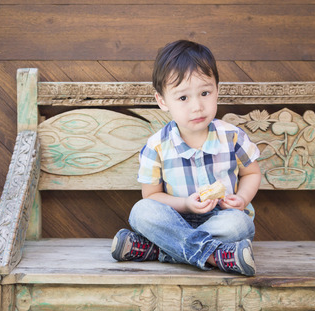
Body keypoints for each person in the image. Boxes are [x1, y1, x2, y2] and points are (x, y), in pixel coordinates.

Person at [111, 40, 261, 276]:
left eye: (205, 93)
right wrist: (185, 204)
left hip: (220, 219)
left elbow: (251, 173)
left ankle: (158, 250)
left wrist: (242, 198)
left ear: (217, 90)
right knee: (141, 212)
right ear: (162, 101)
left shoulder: (232, 137)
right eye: (183, 98)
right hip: (173, 219)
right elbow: (151, 196)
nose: (197, 106)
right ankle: (215, 255)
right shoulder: (157, 147)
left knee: (240, 224)